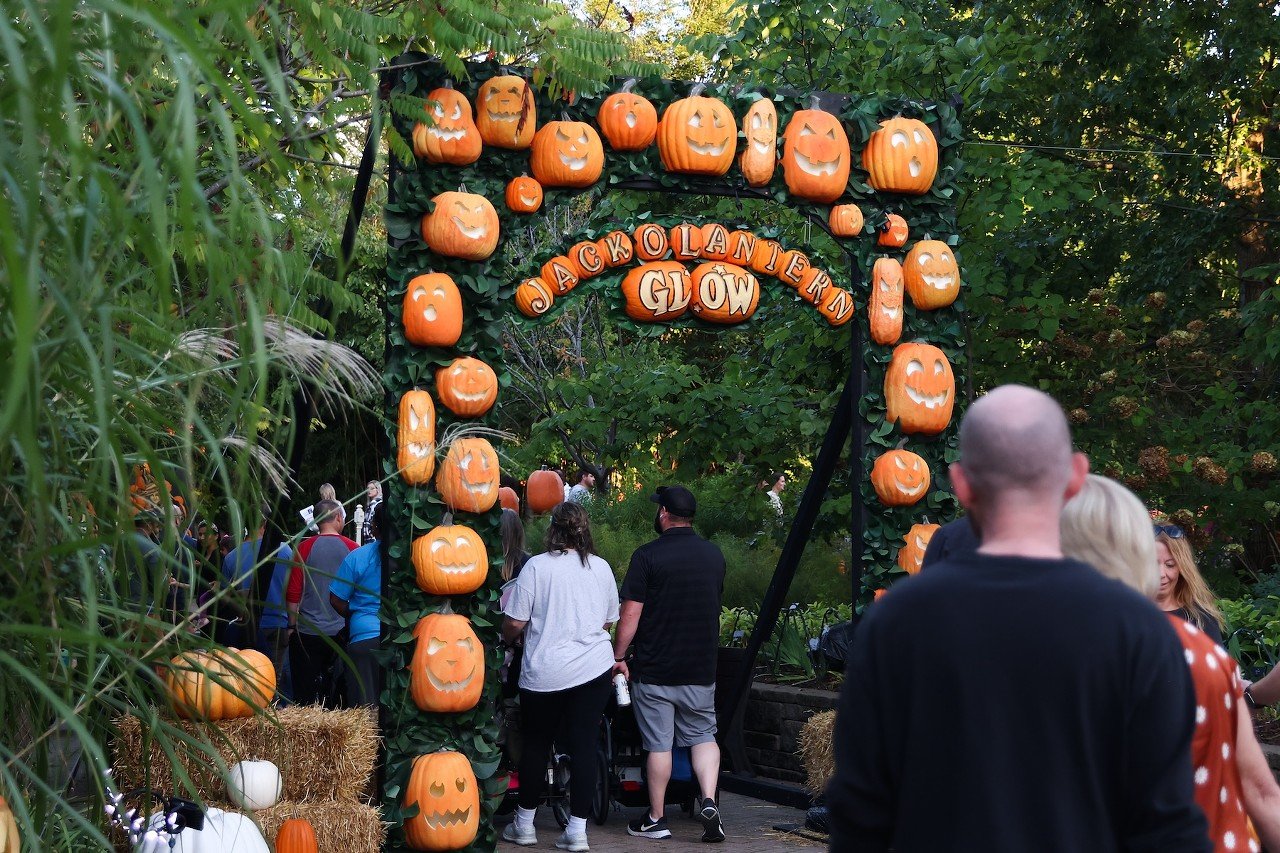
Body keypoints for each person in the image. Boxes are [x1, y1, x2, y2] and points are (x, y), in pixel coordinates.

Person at [825, 385, 1208, 852]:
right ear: (1075, 477)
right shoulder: (1138, 630)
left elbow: (859, 814)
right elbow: (1168, 825)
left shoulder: (894, 624)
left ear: (961, 484)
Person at [1062, 476, 1280, 852]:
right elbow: (1261, 790)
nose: (1161, 573)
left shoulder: (1057, 656)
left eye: (1169, 564)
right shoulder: (1202, 657)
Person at [500, 502, 618, 852]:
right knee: (585, 745)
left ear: (553, 528)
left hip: (545, 672)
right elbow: (607, 620)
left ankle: (524, 825)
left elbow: (516, 622)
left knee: (536, 743)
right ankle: (577, 831)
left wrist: (508, 637)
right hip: (593, 668)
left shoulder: (536, 568)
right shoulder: (601, 568)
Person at [613, 485, 727, 843]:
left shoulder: (647, 556)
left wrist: (617, 656)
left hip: (656, 669)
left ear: (663, 513)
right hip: (700, 668)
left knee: (659, 745)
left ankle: (656, 818)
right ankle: (708, 800)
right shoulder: (714, 555)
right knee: (704, 736)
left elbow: (630, 614)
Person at [286, 499, 356, 706]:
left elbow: (293, 593)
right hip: (342, 631)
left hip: (309, 631)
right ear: (338, 518)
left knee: (305, 696)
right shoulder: (352, 548)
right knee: (340, 694)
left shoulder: (303, 548)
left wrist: (291, 625)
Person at [222, 505, 294, 699]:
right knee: (274, 679)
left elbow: (225, 597)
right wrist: (292, 624)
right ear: (266, 523)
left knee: (247, 679)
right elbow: (292, 592)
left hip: (246, 625)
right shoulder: (285, 552)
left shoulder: (231, 557)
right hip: (278, 623)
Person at [330, 501, 385, 707]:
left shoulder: (358, 557)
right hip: (401, 639)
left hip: (364, 639)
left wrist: (354, 614)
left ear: (373, 528)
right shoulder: (411, 557)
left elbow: (335, 599)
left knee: (366, 709)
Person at [1156, 523, 1226, 646]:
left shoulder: (1201, 619)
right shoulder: (1125, 615)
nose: (1161, 574)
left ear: (1183, 568)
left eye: (1170, 565)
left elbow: (1216, 664)